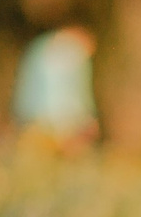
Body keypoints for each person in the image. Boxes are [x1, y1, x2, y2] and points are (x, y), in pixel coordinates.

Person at [12, 24, 98, 152]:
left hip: (37, 121)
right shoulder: (73, 56)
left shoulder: (39, 48)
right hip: (56, 124)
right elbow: (74, 97)